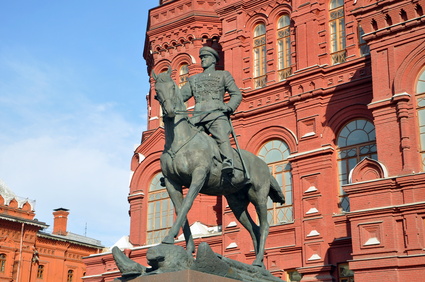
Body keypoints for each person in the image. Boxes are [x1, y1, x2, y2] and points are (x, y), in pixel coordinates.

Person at [180, 46, 242, 175]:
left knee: (221, 136)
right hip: (197, 118)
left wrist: (228, 107)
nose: (202, 60)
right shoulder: (194, 79)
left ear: (213, 60)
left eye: (205, 57)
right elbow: (181, 97)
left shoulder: (223, 75)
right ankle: (178, 167)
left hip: (216, 115)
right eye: (201, 58)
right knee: (184, 139)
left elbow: (236, 94)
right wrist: (167, 93)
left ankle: (228, 161)